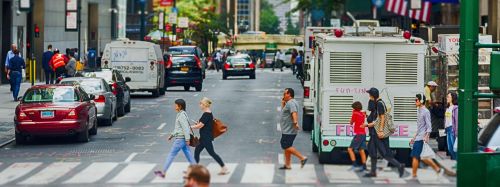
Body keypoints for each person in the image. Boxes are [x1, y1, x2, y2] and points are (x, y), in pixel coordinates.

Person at [364, 87, 405, 178]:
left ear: (373, 96)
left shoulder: (379, 104)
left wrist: (381, 130)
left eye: (370, 95)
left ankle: (399, 165)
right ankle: (373, 172)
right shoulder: (376, 103)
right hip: (374, 133)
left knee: (385, 153)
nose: (369, 97)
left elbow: (382, 118)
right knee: (372, 152)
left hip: (378, 134)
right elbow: (376, 117)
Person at [154, 99, 196, 178]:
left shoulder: (182, 115)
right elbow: (178, 128)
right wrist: (172, 135)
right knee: (189, 155)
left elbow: (185, 128)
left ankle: (163, 172)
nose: (174, 106)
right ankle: (197, 172)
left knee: (171, 154)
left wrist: (187, 139)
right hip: (182, 138)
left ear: (180, 106)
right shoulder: (181, 114)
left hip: (180, 139)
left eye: (175, 105)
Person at [408, 94, 444, 179]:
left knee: (415, 156)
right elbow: (420, 127)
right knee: (422, 157)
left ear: (421, 101)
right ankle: (437, 169)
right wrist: (414, 137)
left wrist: (426, 136)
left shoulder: (425, 111)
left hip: (422, 138)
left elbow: (429, 126)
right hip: (418, 137)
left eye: (416, 100)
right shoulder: (419, 111)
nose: (415, 102)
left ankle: (414, 175)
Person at [191, 97, 228, 175]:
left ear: (204, 105)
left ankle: (224, 168)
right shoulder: (208, 113)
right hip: (204, 137)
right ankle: (195, 169)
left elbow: (200, 126)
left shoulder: (206, 114)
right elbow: (203, 124)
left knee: (212, 153)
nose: (200, 105)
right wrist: (198, 124)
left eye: (201, 104)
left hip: (206, 138)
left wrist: (190, 127)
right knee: (197, 152)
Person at [279, 88, 308, 169]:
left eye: (285, 94)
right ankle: (287, 165)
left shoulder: (291, 103)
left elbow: (293, 112)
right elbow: (286, 112)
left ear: (289, 94)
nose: (283, 95)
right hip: (287, 129)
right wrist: (283, 103)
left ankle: (302, 158)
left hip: (289, 130)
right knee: (287, 146)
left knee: (285, 145)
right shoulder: (289, 103)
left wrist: (295, 122)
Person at [347, 101, 367, 171]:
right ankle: (364, 166)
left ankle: (354, 165)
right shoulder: (362, 113)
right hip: (364, 133)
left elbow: (351, 123)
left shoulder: (355, 113)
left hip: (358, 134)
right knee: (361, 150)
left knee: (350, 149)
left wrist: (353, 114)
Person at [445, 92, 458, 160]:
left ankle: (456, 163)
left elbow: (457, 121)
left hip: (452, 129)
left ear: (453, 98)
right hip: (448, 129)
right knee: (450, 148)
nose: (447, 98)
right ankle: (454, 161)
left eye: (448, 97)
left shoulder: (455, 108)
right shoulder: (448, 108)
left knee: (454, 148)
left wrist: (456, 132)